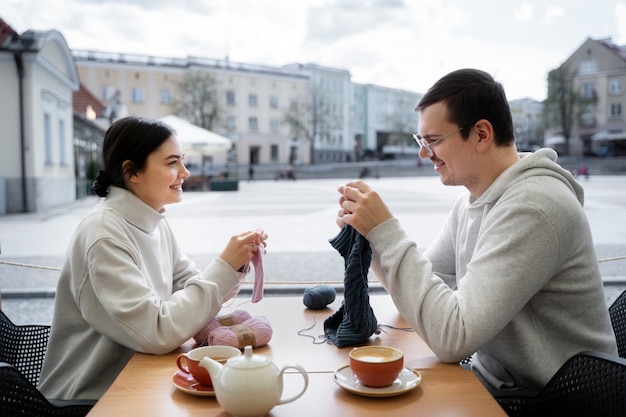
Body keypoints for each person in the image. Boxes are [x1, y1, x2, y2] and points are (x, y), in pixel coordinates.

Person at [335, 69, 617, 396]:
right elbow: (424, 291)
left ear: (482, 134)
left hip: (552, 402)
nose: (423, 154)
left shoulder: (534, 208)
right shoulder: (474, 201)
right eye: (421, 141)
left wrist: (385, 232)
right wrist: (369, 235)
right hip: (499, 387)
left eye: (434, 140)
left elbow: (453, 338)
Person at [39, 116, 267, 400]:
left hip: (139, 381)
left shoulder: (153, 221)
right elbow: (157, 331)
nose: (185, 172)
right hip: (89, 398)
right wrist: (222, 266)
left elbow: (192, 291)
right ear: (132, 172)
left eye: (182, 160)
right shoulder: (104, 235)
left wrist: (236, 262)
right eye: (172, 163)